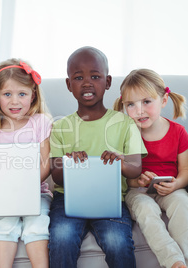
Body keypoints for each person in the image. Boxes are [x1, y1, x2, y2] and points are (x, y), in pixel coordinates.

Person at [49, 46, 147, 268]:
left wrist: (120, 161)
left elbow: (135, 169)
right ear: (68, 85)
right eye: (78, 77)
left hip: (110, 198)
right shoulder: (60, 126)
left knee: (117, 241)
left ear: (108, 81)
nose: (87, 83)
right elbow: (56, 176)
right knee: (62, 238)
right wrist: (69, 163)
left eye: (95, 76)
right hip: (67, 199)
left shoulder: (124, 123)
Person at [114, 68, 188, 268]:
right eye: (131, 105)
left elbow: (186, 170)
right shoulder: (127, 134)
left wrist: (176, 184)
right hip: (138, 191)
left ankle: (186, 264)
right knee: (146, 208)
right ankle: (174, 262)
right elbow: (126, 177)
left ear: (164, 100)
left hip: (170, 189)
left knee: (185, 206)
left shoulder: (178, 132)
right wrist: (138, 180)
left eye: (146, 102)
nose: (139, 110)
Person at [0, 58, 52, 268]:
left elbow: (46, 163)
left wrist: (26, 185)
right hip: (4, 194)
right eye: (7, 94)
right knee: (3, 225)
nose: (14, 101)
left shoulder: (40, 122)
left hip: (36, 191)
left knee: (37, 223)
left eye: (21, 94)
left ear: (33, 95)